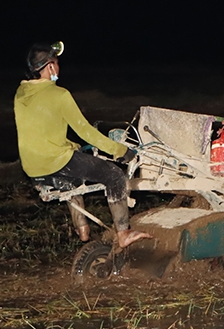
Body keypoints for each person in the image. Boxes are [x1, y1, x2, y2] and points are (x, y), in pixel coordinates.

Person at [14, 41, 151, 248]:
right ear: (50, 66)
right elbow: (86, 132)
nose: (58, 67)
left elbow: (39, 130)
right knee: (114, 176)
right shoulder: (60, 95)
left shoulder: (20, 94)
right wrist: (122, 151)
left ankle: (83, 230)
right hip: (54, 162)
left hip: (32, 167)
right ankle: (124, 233)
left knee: (73, 181)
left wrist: (69, 145)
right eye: (56, 62)